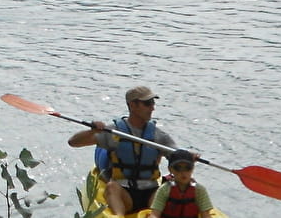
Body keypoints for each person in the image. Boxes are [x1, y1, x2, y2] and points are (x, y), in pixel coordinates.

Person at [68, 85, 179, 215]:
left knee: (170, 188)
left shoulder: (158, 136)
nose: (152, 107)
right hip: (124, 193)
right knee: (112, 187)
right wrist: (91, 131)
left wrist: (187, 158)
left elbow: (178, 157)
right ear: (133, 105)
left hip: (151, 193)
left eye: (153, 103)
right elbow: (73, 142)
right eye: (147, 103)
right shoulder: (114, 133)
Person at [149, 149, 215, 218]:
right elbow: (155, 214)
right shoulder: (164, 189)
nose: (183, 172)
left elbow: (206, 215)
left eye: (188, 168)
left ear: (192, 168)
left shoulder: (199, 190)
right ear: (170, 169)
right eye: (178, 168)